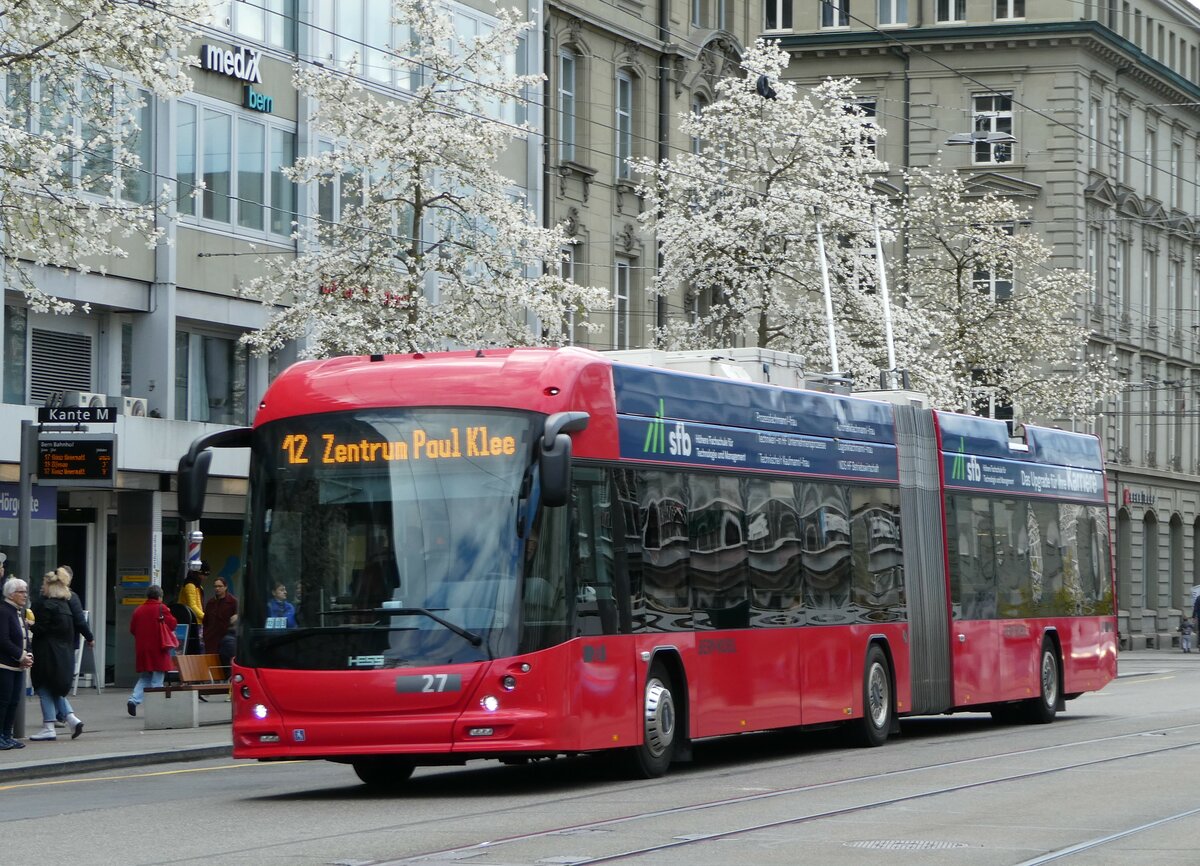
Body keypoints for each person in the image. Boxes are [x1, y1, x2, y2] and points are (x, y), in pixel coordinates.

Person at [29, 569, 89, 740]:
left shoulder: (46, 606)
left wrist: (30, 624)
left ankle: (49, 726)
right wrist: (89, 637)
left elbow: (41, 629)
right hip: (63, 653)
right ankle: (72, 719)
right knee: (54, 688)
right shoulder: (66, 606)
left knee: (43, 687)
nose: (42, 587)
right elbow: (78, 624)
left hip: (46, 653)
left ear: (50, 586)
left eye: (44, 584)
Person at [127, 585, 177, 717]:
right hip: (158, 648)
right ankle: (156, 707)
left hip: (143, 649)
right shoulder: (161, 608)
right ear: (160, 596)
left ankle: (133, 700)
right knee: (157, 679)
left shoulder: (138, 610)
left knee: (145, 677)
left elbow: (132, 629)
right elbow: (173, 624)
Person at [0, 577, 33, 750]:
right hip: (4, 666)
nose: (25, 595)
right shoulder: (4, 612)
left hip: (17, 666)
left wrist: (29, 655)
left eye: (25, 592)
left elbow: (25, 637)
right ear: (11, 594)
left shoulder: (18, 612)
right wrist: (21, 656)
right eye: (21, 592)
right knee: (3, 702)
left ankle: (7, 735)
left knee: (13, 702)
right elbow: (3, 640)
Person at [202, 576, 238, 655]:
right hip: (211, 639)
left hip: (226, 639)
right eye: (215, 586)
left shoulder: (233, 602)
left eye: (220, 586)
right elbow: (205, 621)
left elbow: (238, 618)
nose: (217, 588)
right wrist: (205, 635)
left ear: (225, 587)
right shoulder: (210, 603)